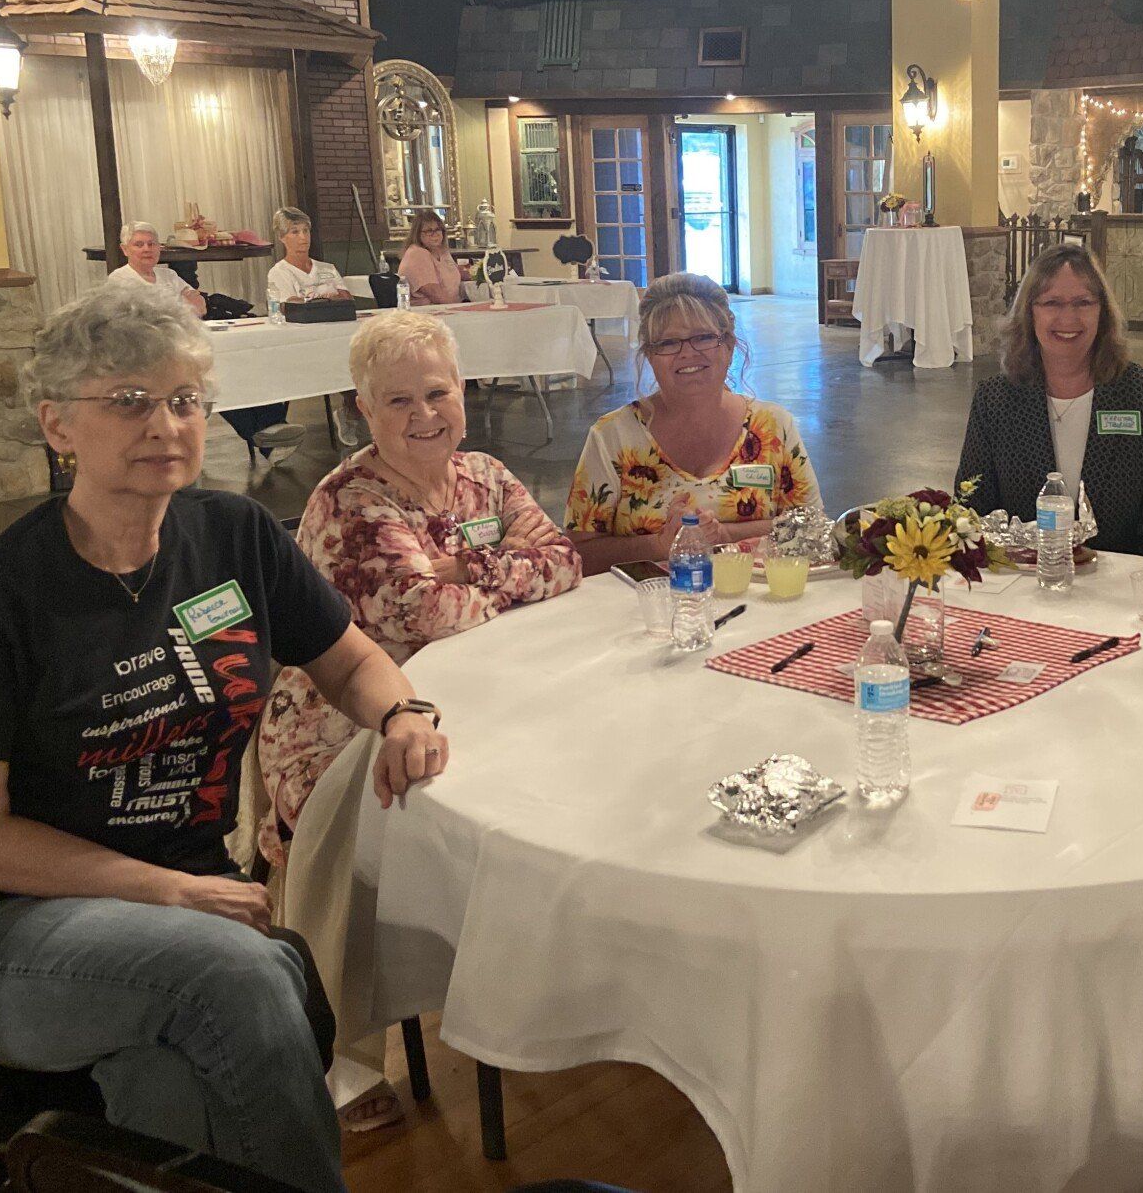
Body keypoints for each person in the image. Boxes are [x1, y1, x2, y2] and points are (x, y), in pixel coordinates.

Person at [0, 287, 453, 1193]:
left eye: (183, 401)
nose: (166, 424)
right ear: (57, 424)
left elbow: (352, 660)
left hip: (185, 907)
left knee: (175, 1071)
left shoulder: (233, 537)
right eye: (128, 401)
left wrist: (405, 714)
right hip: (1, 927)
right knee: (231, 974)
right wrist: (166, 891)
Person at [256, 310, 581, 1128]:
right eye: (397, 401)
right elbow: (424, 607)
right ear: (363, 411)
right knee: (396, 797)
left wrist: (464, 566)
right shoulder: (351, 501)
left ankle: (533, 975)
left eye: (436, 392)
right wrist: (499, 571)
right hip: (344, 719)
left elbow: (566, 559)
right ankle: (340, 1051)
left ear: (460, 389)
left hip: (484, 685)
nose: (423, 415)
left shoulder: (486, 475)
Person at [565, 272, 822, 570]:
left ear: (728, 345)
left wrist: (724, 535)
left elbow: (814, 530)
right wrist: (658, 545)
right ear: (649, 355)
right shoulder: (613, 438)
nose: (688, 353)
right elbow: (577, 555)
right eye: (668, 342)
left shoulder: (774, 427)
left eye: (703, 337)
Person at [953, 243, 1143, 561]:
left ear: (1102, 312)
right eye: (1052, 303)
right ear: (1029, 312)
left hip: (1117, 590)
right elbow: (970, 512)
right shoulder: (995, 400)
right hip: (1021, 584)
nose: (1069, 317)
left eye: (1083, 303)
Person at [105, 221, 204, 318]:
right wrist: (182, 306)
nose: (147, 249)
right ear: (125, 249)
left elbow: (198, 305)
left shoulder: (169, 275)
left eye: (151, 244)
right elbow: (139, 317)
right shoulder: (119, 278)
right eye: (139, 245)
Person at [267, 206, 351, 305]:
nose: (303, 237)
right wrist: (329, 298)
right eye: (295, 232)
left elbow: (347, 299)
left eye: (305, 231)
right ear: (282, 237)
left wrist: (309, 300)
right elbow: (290, 305)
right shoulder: (279, 272)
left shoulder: (328, 268)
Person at [397, 210, 468, 306]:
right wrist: (463, 307)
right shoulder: (417, 253)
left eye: (438, 229)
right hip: (427, 312)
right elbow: (435, 295)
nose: (435, 234)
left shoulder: (443, 252)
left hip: (449, 306)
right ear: (418, 233)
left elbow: (453, 273)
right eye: (429, 231)